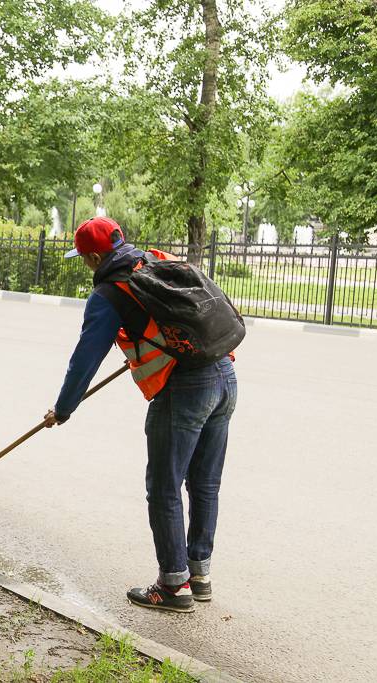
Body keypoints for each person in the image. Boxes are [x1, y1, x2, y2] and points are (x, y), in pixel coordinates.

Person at [44, 216, 238, 614]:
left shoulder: (109, 293)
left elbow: (85, 359)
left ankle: (173, 586)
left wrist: (63, 408)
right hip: (225, 374)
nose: (85, 264)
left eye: (84, 258)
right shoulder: (156, 259)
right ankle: (198, 575)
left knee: (165, 488)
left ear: (96, 256)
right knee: (205, 484)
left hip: (184, 390)